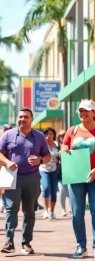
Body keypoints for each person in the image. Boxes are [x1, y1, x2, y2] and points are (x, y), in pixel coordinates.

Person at [0, 107, 51, 255]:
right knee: (11, 208)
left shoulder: (39, 137)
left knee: (29, 211)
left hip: (32, 178)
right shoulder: (8, 135)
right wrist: (8, 162)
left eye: (26, 117)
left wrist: (40, 160)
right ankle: (9, 242)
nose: (22, 119)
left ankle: (26, 243)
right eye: (20, 117)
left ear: (31, 119)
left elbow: (47, 156)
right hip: (12, 177)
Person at [61, 99, 95, 258]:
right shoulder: (72, 130)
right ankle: (81, 245)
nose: (83, 113)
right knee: (76, 212)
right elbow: (63, 148)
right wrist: (65, 149)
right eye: (80, 110)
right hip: (76, 176)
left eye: (86, 110)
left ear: (93, 113)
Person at [39, 128, 59, 220]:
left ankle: (52, 211)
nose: (48, 136)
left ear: (54, 135)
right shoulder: (41, 145)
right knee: (46, 188)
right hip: (44, 170)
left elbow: (62, 155)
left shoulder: (57, 145)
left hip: (54, 171)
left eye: (50, 134)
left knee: (54, 191)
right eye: (46, 134)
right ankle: (46, 210)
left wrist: (58, 160)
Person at [57, 129, 70, 217]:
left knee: (70, 191)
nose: (62, 138)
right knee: (62, 191)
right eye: (61, 136)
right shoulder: (57, 146)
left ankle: (71, 207)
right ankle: (63, 209)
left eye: (64, 135)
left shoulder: (71, 145)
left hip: (71, 171)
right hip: (61, 172)